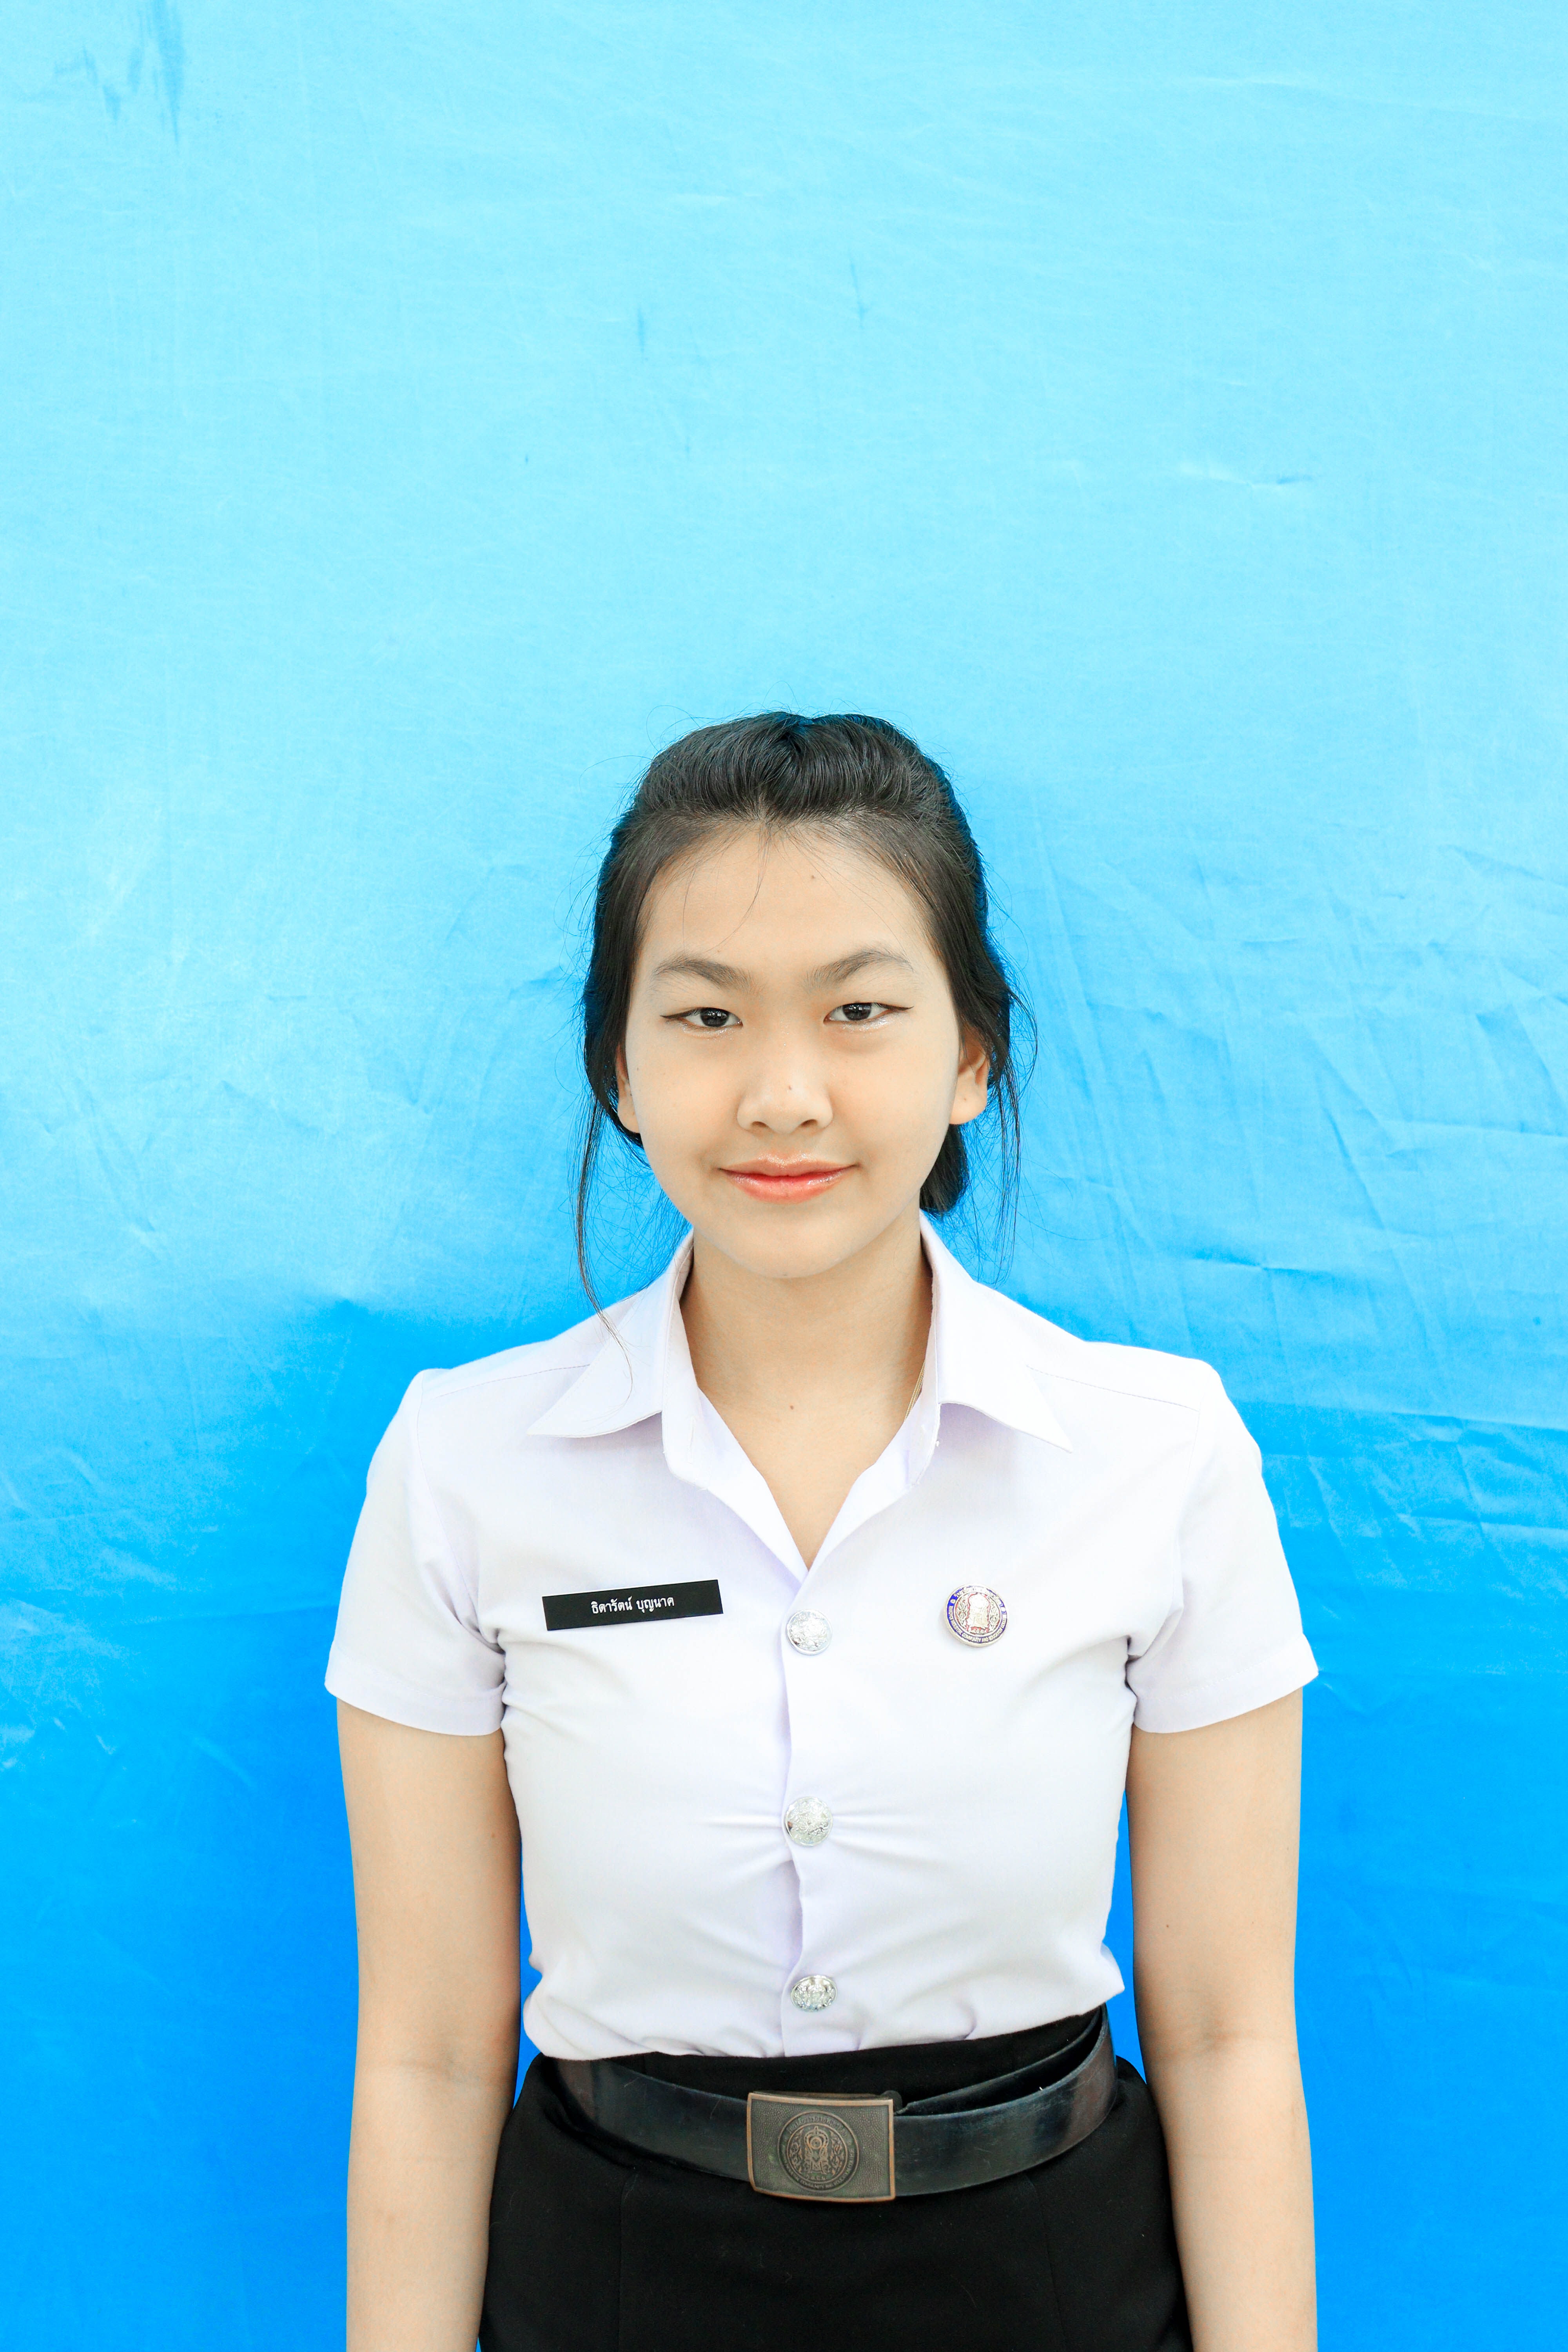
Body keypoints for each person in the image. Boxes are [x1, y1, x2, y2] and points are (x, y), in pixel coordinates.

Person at [328, 713, 1318, 2352]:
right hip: (613, 2278)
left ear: (971, 1056)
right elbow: (428, 2055)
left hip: (1051, 2276)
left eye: (860, 1011)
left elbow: (1227, 2039)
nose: (783, 1095)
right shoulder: (466, 1461)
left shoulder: (1158, 1452)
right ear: (619, 1069)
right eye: (705, 1014)